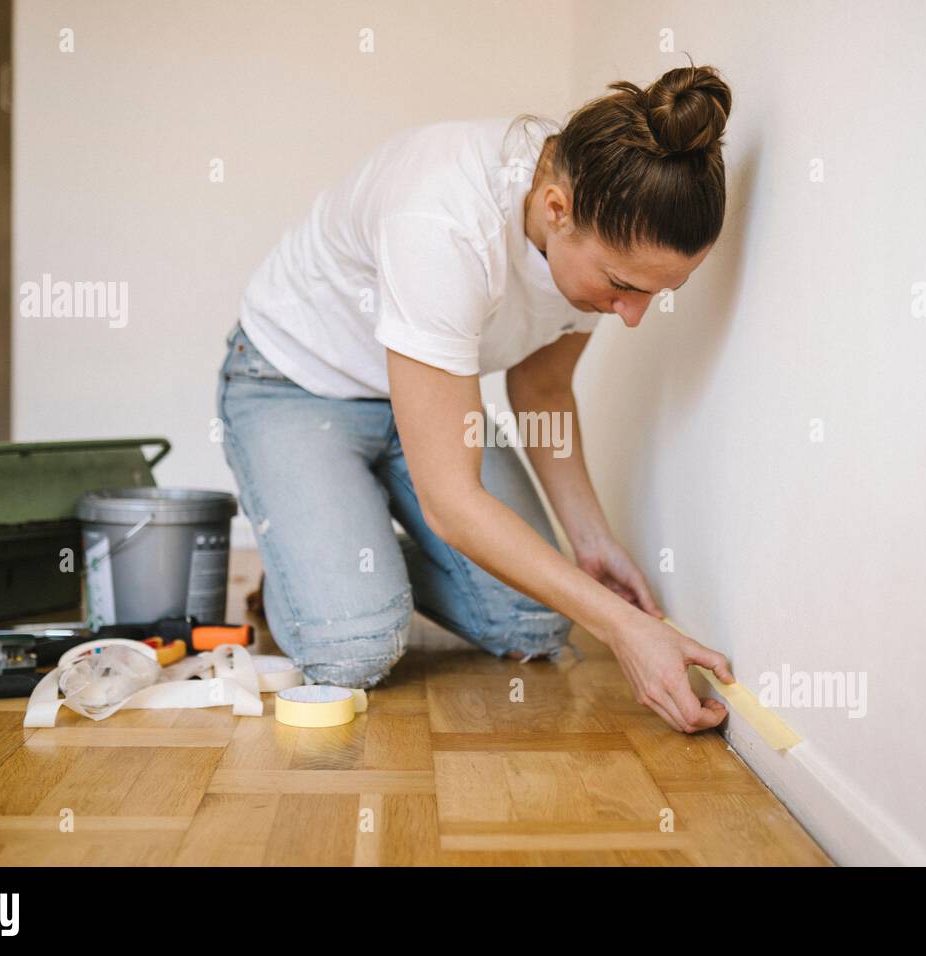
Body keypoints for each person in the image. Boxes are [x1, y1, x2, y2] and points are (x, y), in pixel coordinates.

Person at [217, 63, 736, 733]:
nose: (631, 316)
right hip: (292, 384)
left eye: (655, 293)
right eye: (621, 287)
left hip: (427, 402)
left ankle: (339, 547)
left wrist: (591, 542)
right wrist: (621, 627)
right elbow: (452, 502)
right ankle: (318, 575)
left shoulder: (601, 200)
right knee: (355, 646)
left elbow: (541, 387)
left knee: (537, 620)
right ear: (556, 209)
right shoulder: (443, 222)